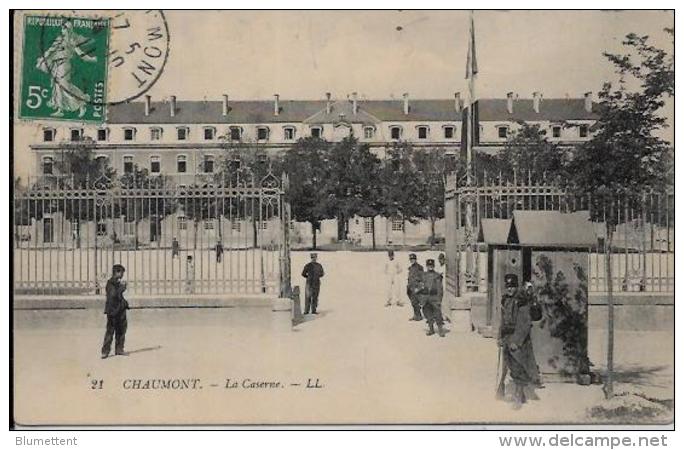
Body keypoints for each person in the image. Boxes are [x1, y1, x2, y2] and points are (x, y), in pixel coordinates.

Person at [497, 274, 539, 409]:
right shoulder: (505, 300)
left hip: (518, 339)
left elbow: (525, 323)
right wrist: (500, 337)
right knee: (509, 364)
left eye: (513, 286)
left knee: (518, 366)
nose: (510, 289)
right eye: (508, 286)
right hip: (507, 337)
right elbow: (502, 321)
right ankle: (520, 395)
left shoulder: (521, 301)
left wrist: (517, 341)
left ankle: (518, 396)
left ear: (517, 287)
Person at [101, 264, 129, 359]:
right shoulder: (111, 283)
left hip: (120, 310)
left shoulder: (117, 282)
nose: (122, 275)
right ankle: (105, 351)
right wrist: (122, 289)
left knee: (121, 330)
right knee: (110, 331)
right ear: (116, 272)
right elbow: (113, 296)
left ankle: (119, 349)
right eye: (121, 272)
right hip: (113, 311)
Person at [421, 259, 446, 337]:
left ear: (434, 266)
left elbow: (440, 288)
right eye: (429, 266)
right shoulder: (424, 275)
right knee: (428, 314)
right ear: (426, 266)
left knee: (437, 314)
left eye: (431, 266)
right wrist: (421, 298)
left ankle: (440, 330)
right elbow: (421, 287)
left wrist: (439, 299)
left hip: (434, 297)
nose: (430, 267)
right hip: (426, 298)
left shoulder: (437, 276)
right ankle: (431, 329)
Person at [406, 253, 424, 321]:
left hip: (416, 287)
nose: (412, 260)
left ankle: (418, 316)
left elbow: (422, 278)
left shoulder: (419, 267)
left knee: (415, 302)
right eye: (411, 259)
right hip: (410, 287)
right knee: (413, 302)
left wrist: (419, 288)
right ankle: (415, 314)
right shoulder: (410, 268)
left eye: (413, 259)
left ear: (415, 259)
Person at [437, 253, 451, 323]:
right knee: (442, 301)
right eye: (439, 259)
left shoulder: (444, 267)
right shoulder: (440, 267)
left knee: (445, 301)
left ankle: (446, 316)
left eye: (442, 259)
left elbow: (439, 275)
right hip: (441, 286)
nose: (440, 261)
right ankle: (443, 316)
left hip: (445, 286)